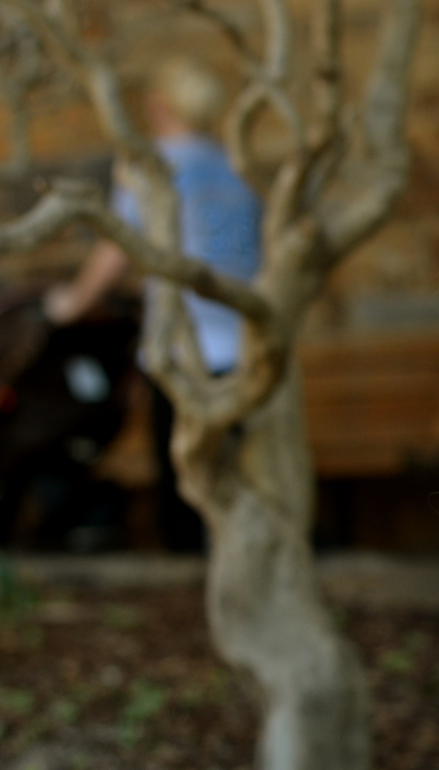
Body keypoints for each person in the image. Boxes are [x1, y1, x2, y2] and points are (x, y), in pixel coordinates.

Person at [42, 57, 262, 551]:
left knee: (185, 484)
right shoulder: (233, 167)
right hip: (242, 348)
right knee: (232, 480)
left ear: (160, 106)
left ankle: (191, 570)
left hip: (184, 349)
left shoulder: (156, 165)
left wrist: (68, 305)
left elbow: (117, 249)